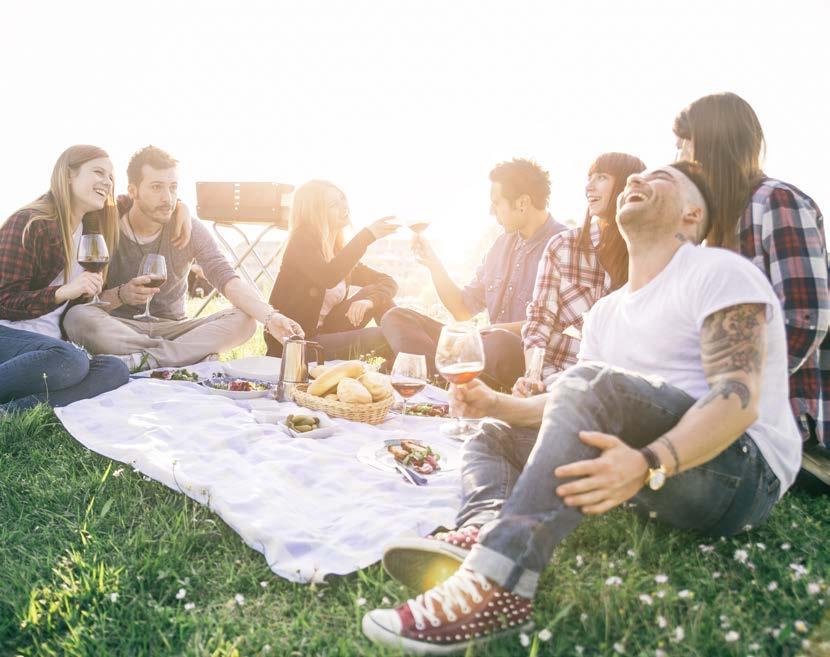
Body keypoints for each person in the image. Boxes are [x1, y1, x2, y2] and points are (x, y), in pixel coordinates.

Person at [362, 162, 802, 654]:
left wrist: (647, 463)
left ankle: (495, 584)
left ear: (691, 214)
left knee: (590, 381)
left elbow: (738, 401)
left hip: (740, 475)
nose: (636, 180)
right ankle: (482, 531)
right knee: (495, 432)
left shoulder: (718, 271)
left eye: (659, 180)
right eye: (636, 178)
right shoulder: (605, 313)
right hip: (657, 469)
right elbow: (574, 404)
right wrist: (497, 403)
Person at [674, 91, 829, 485]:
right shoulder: (713, 226)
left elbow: (807, 318)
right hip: (727, 408)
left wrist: (735, 391)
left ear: (713, 143)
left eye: (684, 142)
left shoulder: (776, 201)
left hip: (788, 421)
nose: (677, 156)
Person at [64, 146, 302, 370]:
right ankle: (179, 356)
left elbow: (226, 277)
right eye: (156, 187)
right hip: (122, 328)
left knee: (245, 320)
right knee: (77, 317)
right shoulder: (107, 227)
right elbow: (89, 300)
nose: (168, 198)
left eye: (173, 187)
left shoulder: (189, 228)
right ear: (133, 190)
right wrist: (121, 295)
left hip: (177, 328)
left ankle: (146, 360)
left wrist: (271, 317)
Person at [381, 159, 568, 389]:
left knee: (498, 342)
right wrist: (434, 264)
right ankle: (446, 377)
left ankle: (441, 374)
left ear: (522, 202)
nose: (491, 211)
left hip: (519, 354)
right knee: (397, 317)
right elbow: (462, 309)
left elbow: (560, 325)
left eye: (496, 203)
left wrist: (489, 332)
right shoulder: (500, 245)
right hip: (483, 346)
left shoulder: (565, 246)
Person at [0, 145, 129, 411]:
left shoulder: (90, 231)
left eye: (111, 176)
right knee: (71, 360)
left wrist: (183, 207)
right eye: (98, 171)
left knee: (115, 369)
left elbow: (136, 201)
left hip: (48, 349)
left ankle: (9, 413)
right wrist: (62, 292)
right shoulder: (30, 222)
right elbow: (3, 300)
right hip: (8, 335)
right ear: (69, 175)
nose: (107, 181)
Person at [514, 152, 646, 397]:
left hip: (614, 389)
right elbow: (539, 320)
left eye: (602, 177)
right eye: (589, 177)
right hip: (554, 378)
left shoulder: (646, 257)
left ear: (628, 186)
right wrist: (533, 378)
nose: (589, 186)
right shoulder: (563, 246)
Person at [265, 179, 399, 359]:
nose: (344, 206)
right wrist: (368, 235)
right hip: (297, 347)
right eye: (334, 204)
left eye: (343, 199)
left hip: (325, 334)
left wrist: (370, 301)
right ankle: (414, 366)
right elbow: (328, 276)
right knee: (383, 336)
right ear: (316, 212)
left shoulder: (338, 253)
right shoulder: (301, 242)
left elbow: (387, 281)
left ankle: (412, 365)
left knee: (382, 304)